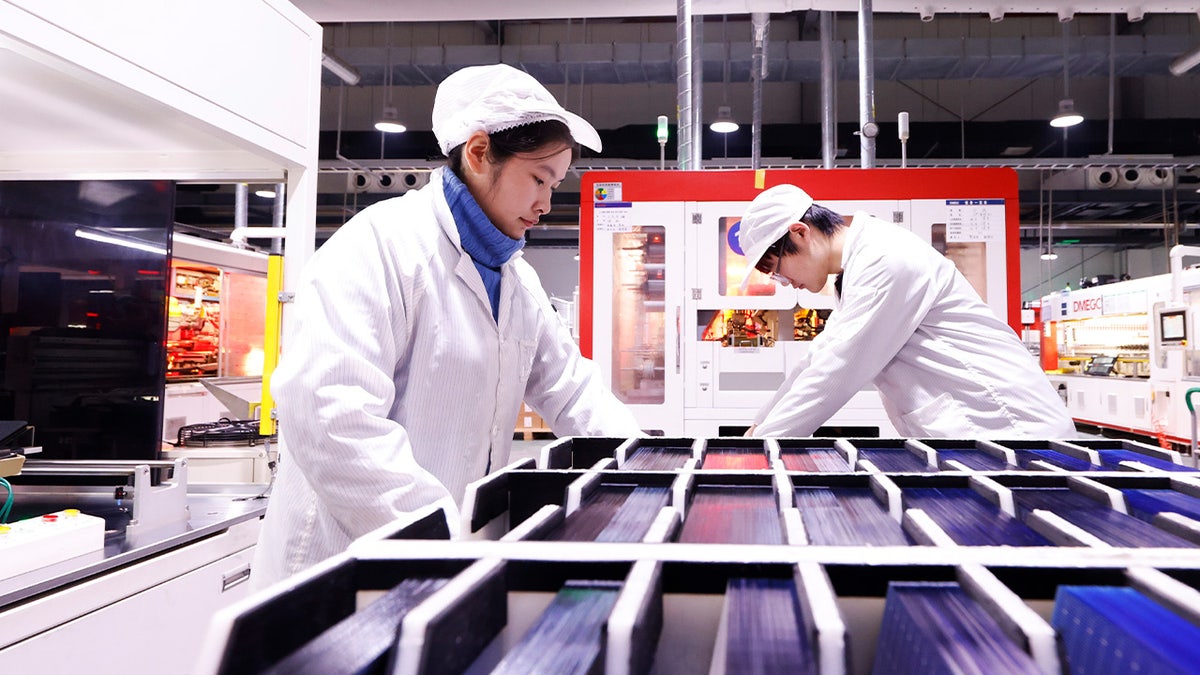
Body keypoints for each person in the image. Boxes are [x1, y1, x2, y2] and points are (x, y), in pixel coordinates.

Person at [251, 64, 641, 588]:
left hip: (446, 563)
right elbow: (331, 416)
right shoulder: (380, 246)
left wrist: (651, 465)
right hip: (341, 566)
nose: (547, 204)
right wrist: (443, 539)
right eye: (539, 179)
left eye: (555, 183)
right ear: (479, 154)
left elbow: (573, 393)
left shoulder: (516, 280)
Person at [738, 183, 1075, 439]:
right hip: (981, 432)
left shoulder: (886, 259)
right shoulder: (857, 268)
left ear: (800, 232)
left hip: (1013, 430)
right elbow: (817, 360)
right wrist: (759, 425)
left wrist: (765, 446)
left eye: (777, 269)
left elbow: (836, 373)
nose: (783, 283)